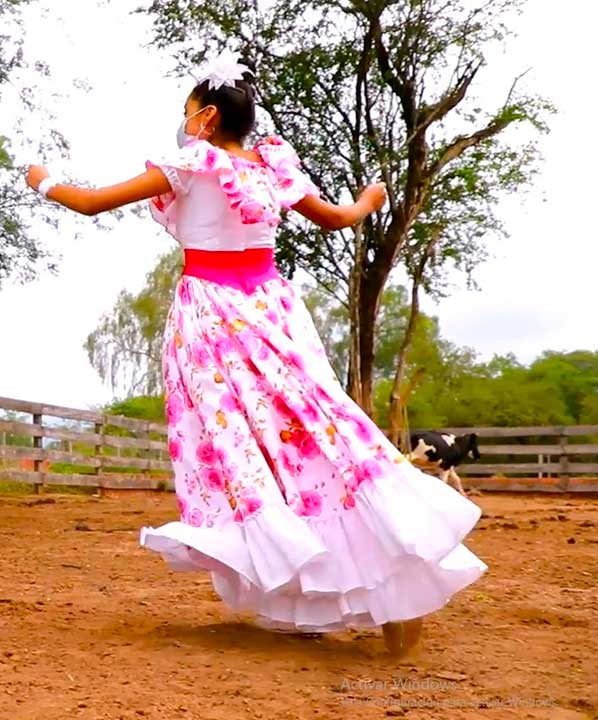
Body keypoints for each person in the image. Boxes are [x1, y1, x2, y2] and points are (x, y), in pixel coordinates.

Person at [24, 51, 484, 655]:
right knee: (315, 436)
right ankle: (388, 584)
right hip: (273, 312)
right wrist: (371, 198)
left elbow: (89, 202)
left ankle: (314, 578)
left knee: (249, 452)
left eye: (189, 111)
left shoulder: (191, 163)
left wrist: (41, 179)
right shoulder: (273, 166)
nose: (184, 122)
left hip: (214, 317)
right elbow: (338, 219)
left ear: (208, 117)